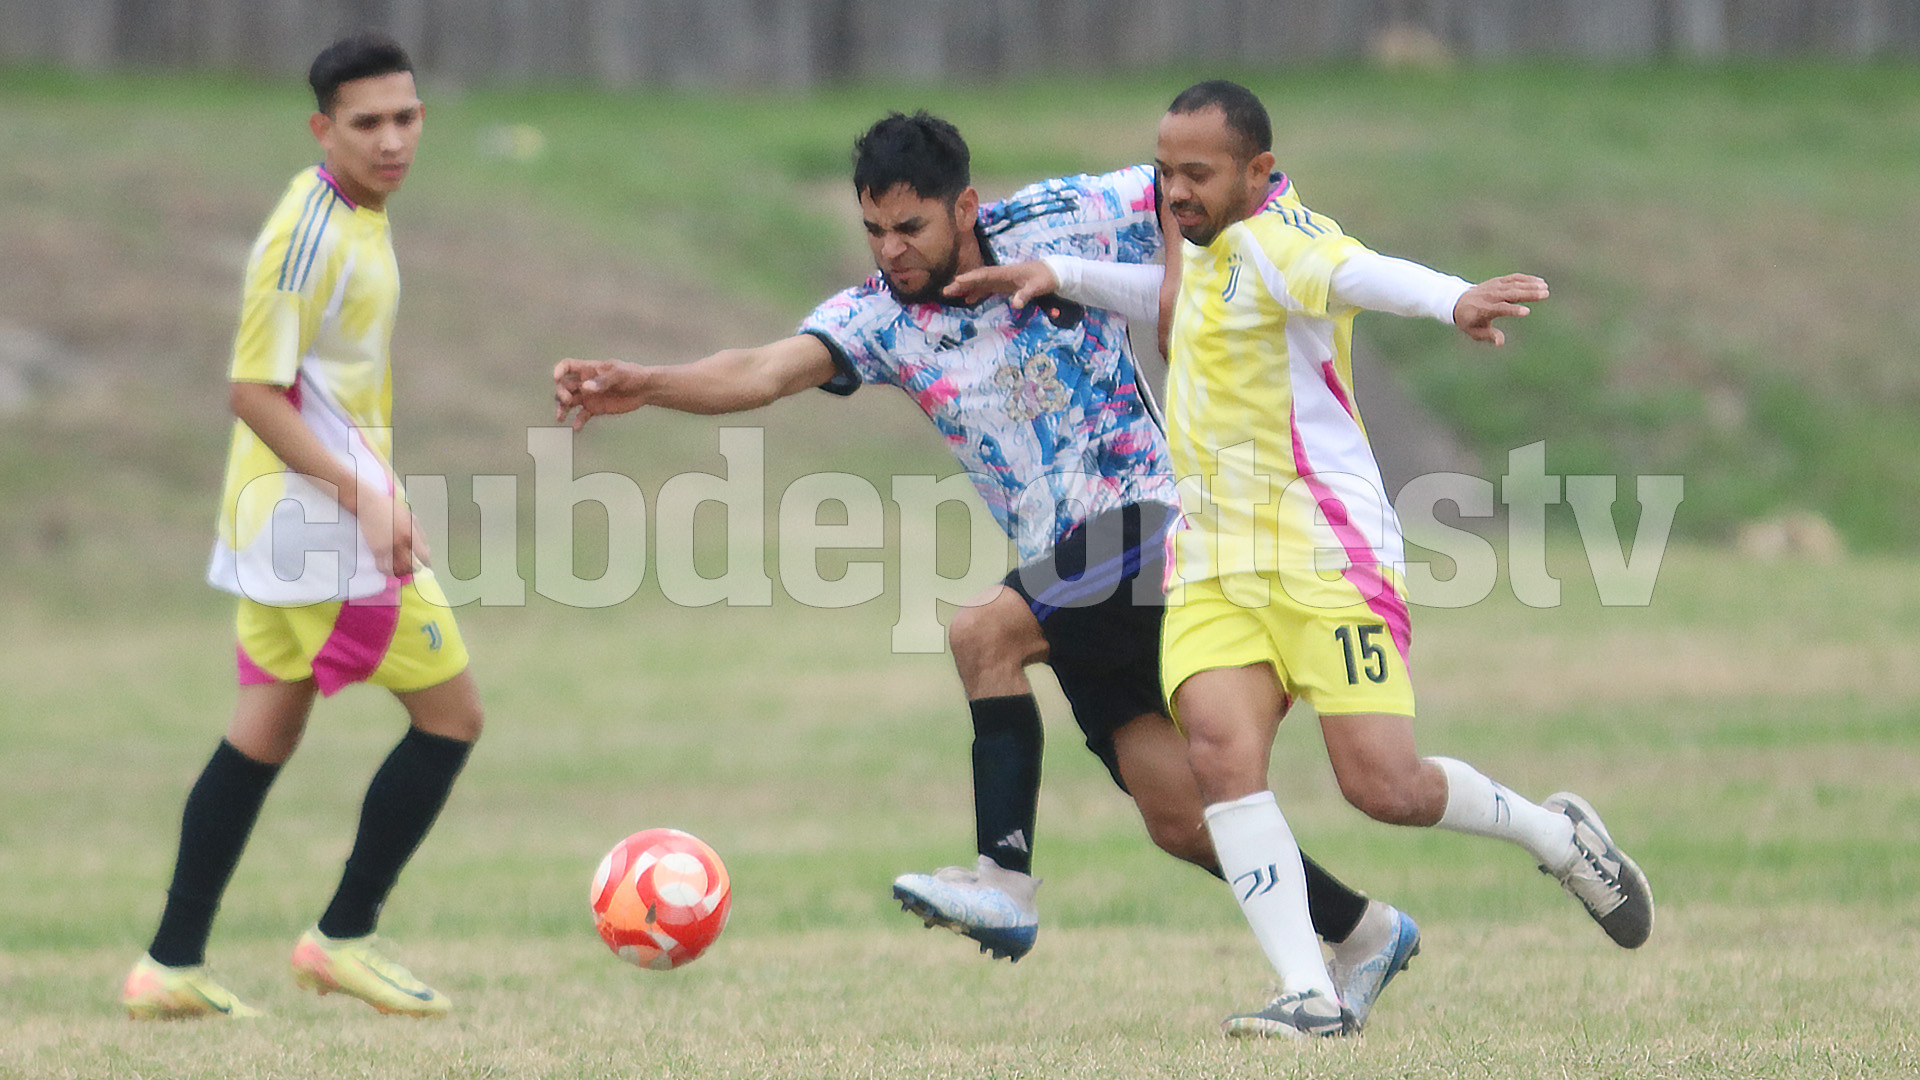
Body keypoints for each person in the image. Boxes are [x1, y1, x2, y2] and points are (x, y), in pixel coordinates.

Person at [554, 111, 1420, 1027]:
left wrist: (1175, 291)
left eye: (911, 228)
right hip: (1066, 565)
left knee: (982, 633)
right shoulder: (879, 317)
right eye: (874, 231)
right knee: (1179, 820)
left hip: (1154, 518)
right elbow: (763, 370)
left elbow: (1175, 193)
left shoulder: (1056, 219)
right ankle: (1363, 930)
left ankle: (1004, 879)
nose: (891, 250)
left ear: (964, 206)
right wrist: (646, 384)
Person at [1135, 79, 1652, 1038]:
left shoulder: (1283, 240)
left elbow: (1360, 272)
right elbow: (1169, 298)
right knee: (1219, 755)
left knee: (1385, 786)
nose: (1173, 192)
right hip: (1210, 559)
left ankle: (1555, 834)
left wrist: (1454, 297)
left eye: (1195, 174)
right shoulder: (1205, 245)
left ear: (1257, 171)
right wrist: (1054, 276)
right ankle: (1310, 992)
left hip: (1324, 553)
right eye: (1165, 171)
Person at [122, 33, 483, 1020]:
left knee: (264, 732)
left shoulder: (360, 214)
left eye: (406, 117)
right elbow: (254, 390)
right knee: (453, 718)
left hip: (279, 523)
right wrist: (366, 496)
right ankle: (345, 935)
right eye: (367, 123)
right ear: (324, 128)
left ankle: (171, 962)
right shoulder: (309, 232)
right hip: (317, 534)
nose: (393, 139)